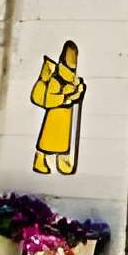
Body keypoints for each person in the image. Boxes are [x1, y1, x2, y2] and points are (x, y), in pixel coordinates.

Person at [30, 40, 85, 176]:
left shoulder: (73, 79)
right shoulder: (56, 79)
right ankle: (40, 159)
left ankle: (62, 159)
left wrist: (77, 91)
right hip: (54, 113)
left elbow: (76, 95)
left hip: (66, 113)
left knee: (63, 138)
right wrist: (65, 97)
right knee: (47, 139)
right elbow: (50, 97)